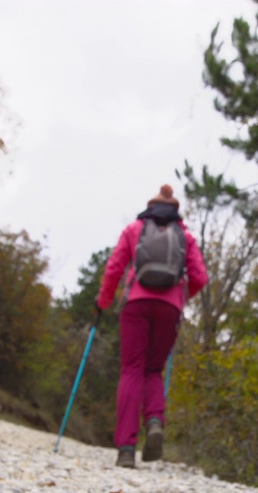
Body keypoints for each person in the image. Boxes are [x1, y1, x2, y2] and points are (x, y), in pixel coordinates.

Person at [96, 184, 208, 468]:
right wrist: (180, 297)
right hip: (169, 308)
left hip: (136, 303)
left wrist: (104, 301)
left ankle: (126, 449)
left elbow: (114, 268)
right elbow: (199, 277)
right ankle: (155, 421)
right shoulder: (185, 237)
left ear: (150, 207)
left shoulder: (134, 229)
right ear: (175, 211)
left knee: (132, 369)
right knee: (153, 370)